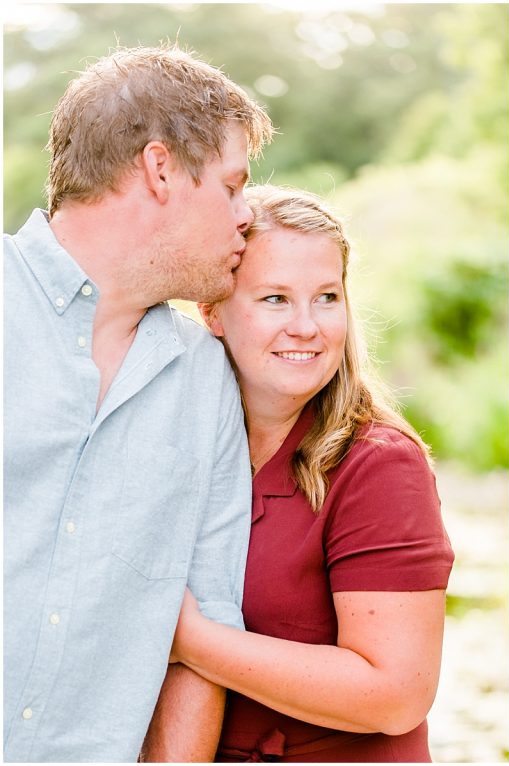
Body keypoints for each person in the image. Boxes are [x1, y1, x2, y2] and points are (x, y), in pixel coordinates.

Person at [3, 45, 273, 762]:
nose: (248, 216)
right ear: (160, 169)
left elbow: (205, 620)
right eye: (232, 186)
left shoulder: (205, 377)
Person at [166, 185, 455, 762]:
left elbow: (395, 695)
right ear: (212, 311)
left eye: (326, 297)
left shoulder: (378, 464)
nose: (307, 326)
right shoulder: (172, 444)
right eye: (274, 298)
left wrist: (187, 639)